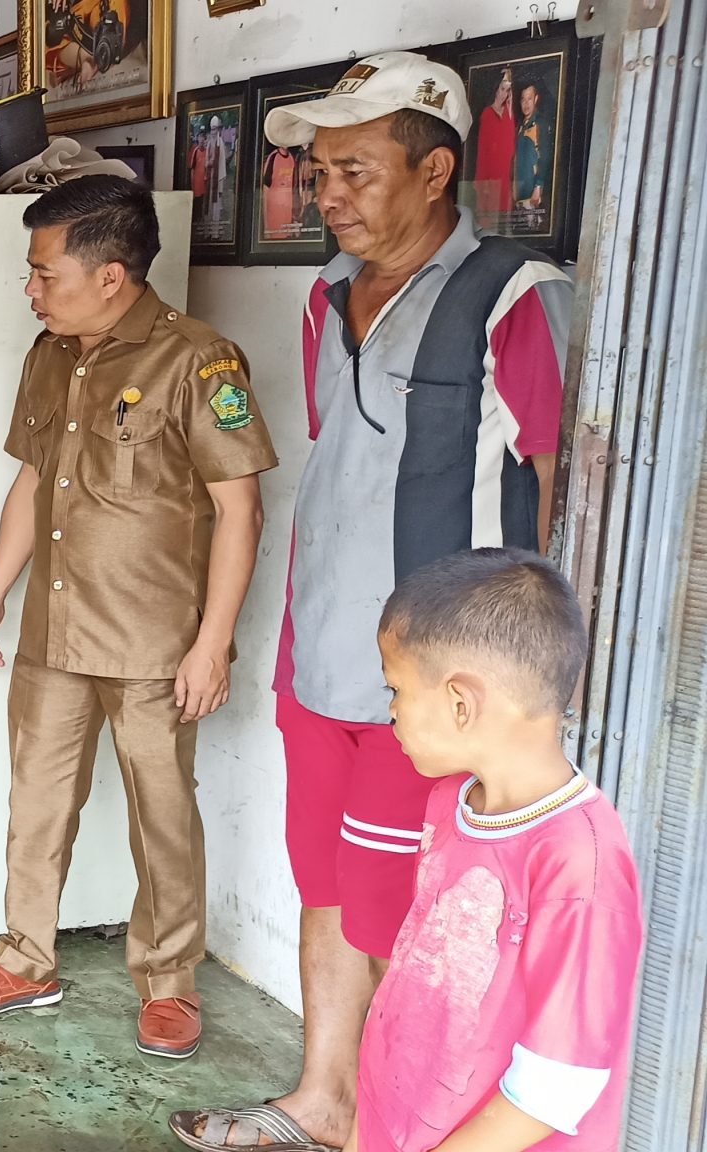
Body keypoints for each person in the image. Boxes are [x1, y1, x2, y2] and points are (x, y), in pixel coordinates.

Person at [172, 51, 572, 1152]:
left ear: (434, 170)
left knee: (421, 918)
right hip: (324, 656)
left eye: (352, 169)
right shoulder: (322, 298)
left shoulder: (511, 297)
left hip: (442, 690)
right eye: (316, 169)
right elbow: (341, 462)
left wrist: (514, 688)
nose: (323, 193)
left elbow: (556, 484)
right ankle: (324, 1101)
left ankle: (411, 1128)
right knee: (330, 892)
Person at [0, 176, 276, 1065]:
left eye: (45, 273)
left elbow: (241, 510)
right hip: (56, 630)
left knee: (163, 814)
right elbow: (34, 480)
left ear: (112, 275)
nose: (32, 289)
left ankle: (169, 984)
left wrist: (212, 645)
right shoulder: (51, 355)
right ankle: (24, 959)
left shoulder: (199, 361)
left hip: (157, 643)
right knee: (37, 803)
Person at [351, 549, 640, 1152]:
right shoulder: (451, 801)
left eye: (396, 687)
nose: (393, 710)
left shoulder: (578, 863)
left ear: (462, 702)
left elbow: (554, 1090)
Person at [473, 68, 517, 223]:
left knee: (504, 222)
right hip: (490, 177)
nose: (504, 93)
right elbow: (483, 151)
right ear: (496, 89)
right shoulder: (487, 114)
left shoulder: (509, 114)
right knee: (487, 222)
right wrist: (483, 182)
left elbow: (511, 147)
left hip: (504, 176)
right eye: (502, 89)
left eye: (508, 90)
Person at [513, 81, 550, 221]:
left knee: (532, 228)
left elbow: (545, 157)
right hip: (520, 192)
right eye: (523, 99)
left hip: (532, 193)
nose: (526, 103)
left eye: (529, 98)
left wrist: (538, 187)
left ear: (535, 99)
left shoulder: (540, 123)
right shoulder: (520, 126)